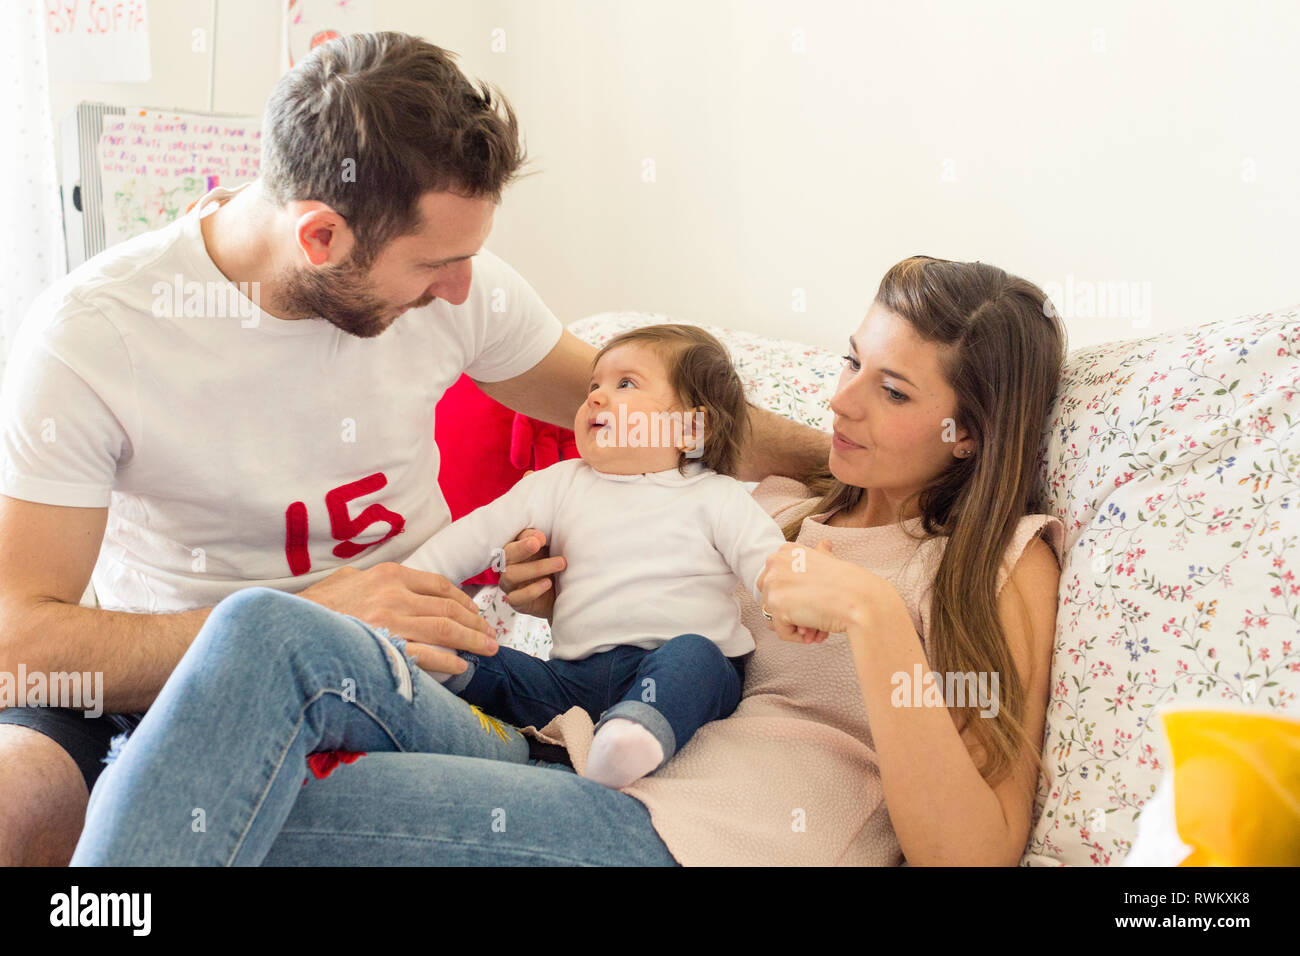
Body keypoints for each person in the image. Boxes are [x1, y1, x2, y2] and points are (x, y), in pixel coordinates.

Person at [0, 32, 827, 865]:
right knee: (18, 801)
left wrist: (850, 453)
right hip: (152, 673)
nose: (461, 289)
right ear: (320, 237)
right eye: (436, 264)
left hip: (408, 669)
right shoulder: (95, 338)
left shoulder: (464, 290)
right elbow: (13, 647)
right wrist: (318, 616)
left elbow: (680, 415)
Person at [71, 255, 1068, 867]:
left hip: (688, 843)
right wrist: (531, 587)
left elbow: (970, 852)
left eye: (891, 390)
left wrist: (878, 617)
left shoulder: (995, 564)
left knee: (241, 811)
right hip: (569, 747)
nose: (842, 403)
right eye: (850, 361)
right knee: (264, 629)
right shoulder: (772, 504)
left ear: (967, 435)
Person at [401, 324, 790, 789]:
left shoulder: (717, 496)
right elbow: (470, 537)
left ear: (689, 427)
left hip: (674, 663)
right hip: (570, 683)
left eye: (625, 383)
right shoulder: (558, 483)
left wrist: (797, 591)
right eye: (594, 385)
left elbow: (769, 561)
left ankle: (633, 738)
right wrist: (401, 586)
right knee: (478, 653)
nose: (597, 398)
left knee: (697, 658)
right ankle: (431, 668)